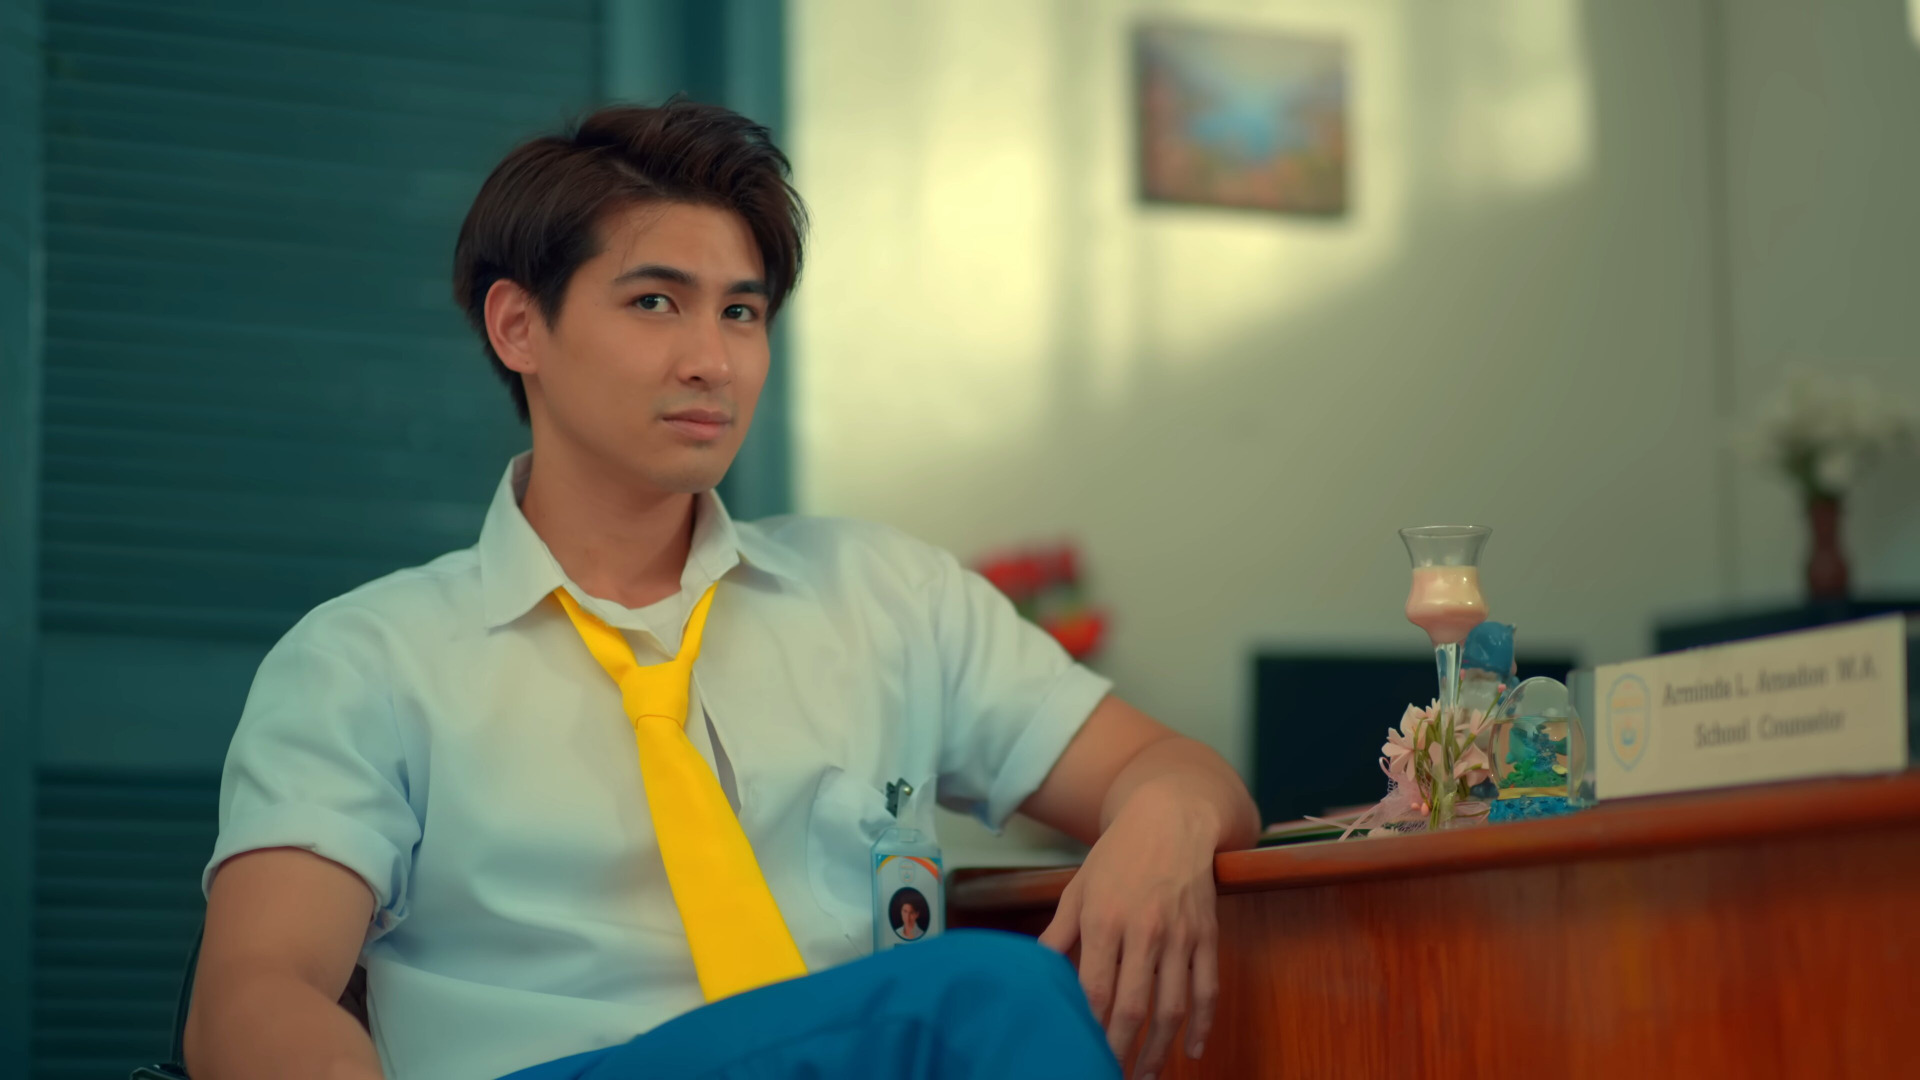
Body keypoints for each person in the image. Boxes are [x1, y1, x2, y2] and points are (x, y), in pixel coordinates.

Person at [184, 101, 1260, 1080]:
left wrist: (1164, 819)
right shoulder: (367, 658)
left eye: (742, 314)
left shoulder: (887, 595)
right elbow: (257, 991)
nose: (714, 360)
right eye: (656, 302)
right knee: (986, 993)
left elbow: (1176, 770)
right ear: (518, 327)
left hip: (836, 1055)